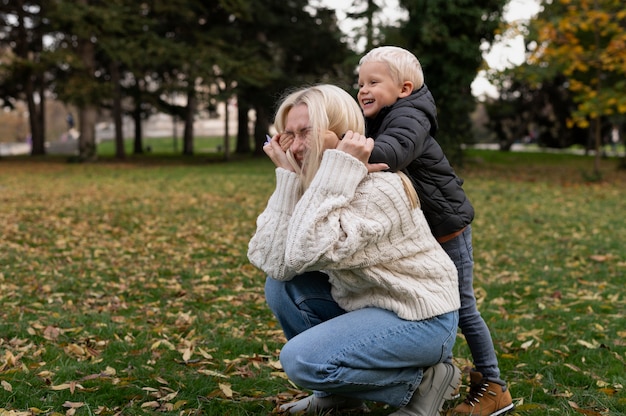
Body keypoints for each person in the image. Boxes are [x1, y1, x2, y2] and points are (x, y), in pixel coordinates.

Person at [248, 84, 461, 416]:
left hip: (420, 318)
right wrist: (288, 180)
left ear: (342, 134)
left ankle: (421, 381)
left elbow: (304, 252)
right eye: (289, 136)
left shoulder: (378, 188)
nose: (298, 147)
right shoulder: (320, 186)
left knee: (301, 360)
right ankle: (339, 397)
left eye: (308, 133)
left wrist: (334, 170)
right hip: (367, 305)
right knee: (282, 286)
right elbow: (274, 263)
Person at [357, 45, 514, 416]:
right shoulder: (383, 116)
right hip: (422, 235)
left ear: (404, 89)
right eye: (360, 81)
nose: (362, 89)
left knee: (461, 306)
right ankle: (429, 375)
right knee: (423, 303)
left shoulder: (410, 117)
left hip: (447, 230)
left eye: (373, 82)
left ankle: (494, 386)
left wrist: (345, 148)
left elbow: (390, 153)